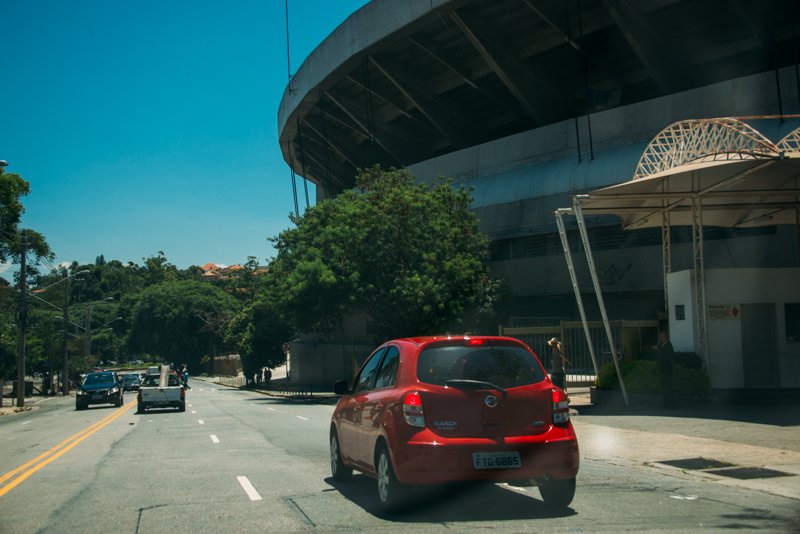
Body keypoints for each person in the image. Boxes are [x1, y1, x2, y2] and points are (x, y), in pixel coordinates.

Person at [657, 331, 676, 408]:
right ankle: (666, 403)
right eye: (660, 337)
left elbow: (668, 357)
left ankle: (671, 404)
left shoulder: (668, 345)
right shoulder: (662, 345)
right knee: (664, 387)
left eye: (662, 337)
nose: (661, 338)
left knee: (668, 387)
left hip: (666, 369)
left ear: (665, 337)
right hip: (663, 369)